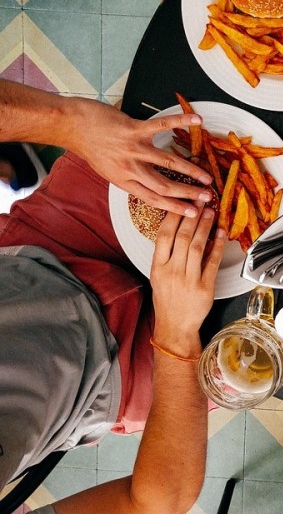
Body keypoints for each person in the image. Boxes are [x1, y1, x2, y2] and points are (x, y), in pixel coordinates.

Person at [0, 79, 224, 512]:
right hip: (117, 384)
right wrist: (177, 336)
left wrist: (68, 123)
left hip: (39, 251)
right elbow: (151, 503)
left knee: (180, 98)